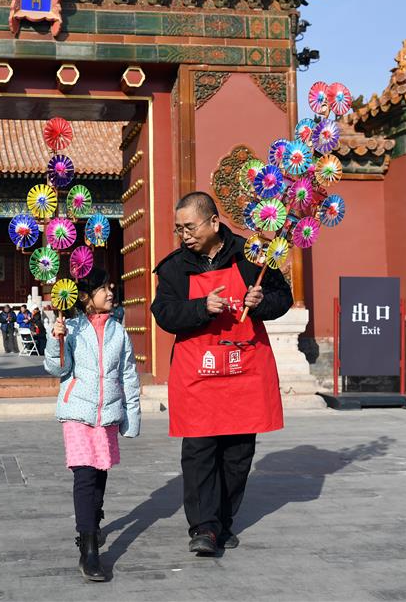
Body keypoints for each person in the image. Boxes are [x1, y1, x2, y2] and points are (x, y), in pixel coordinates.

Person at [151, 192, 289, 556]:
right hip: (199, 372)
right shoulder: (174, 268)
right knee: (198, 450)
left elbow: (282, 298)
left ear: (214, 222)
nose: (185, 235)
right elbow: (164, 313)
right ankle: (203, 528)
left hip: (243, 369)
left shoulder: (252, 255)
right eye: (179, 228)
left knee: (238, 453)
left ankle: (224, 522)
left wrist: (262, 304)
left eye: (190, 226)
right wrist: (201, 306)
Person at [46, 268, 141, 582]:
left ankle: (93, 522)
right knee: (84, 475)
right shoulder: (70, 328)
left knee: (100, 474)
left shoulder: (118, 331)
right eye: (103, 288)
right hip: (77, 412)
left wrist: (132, 416)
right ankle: (88, 548)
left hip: (108, 412)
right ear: (84, 297)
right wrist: (55, 339)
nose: (110, 292)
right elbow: (57, 368)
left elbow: (128, 375)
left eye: (111, 286)